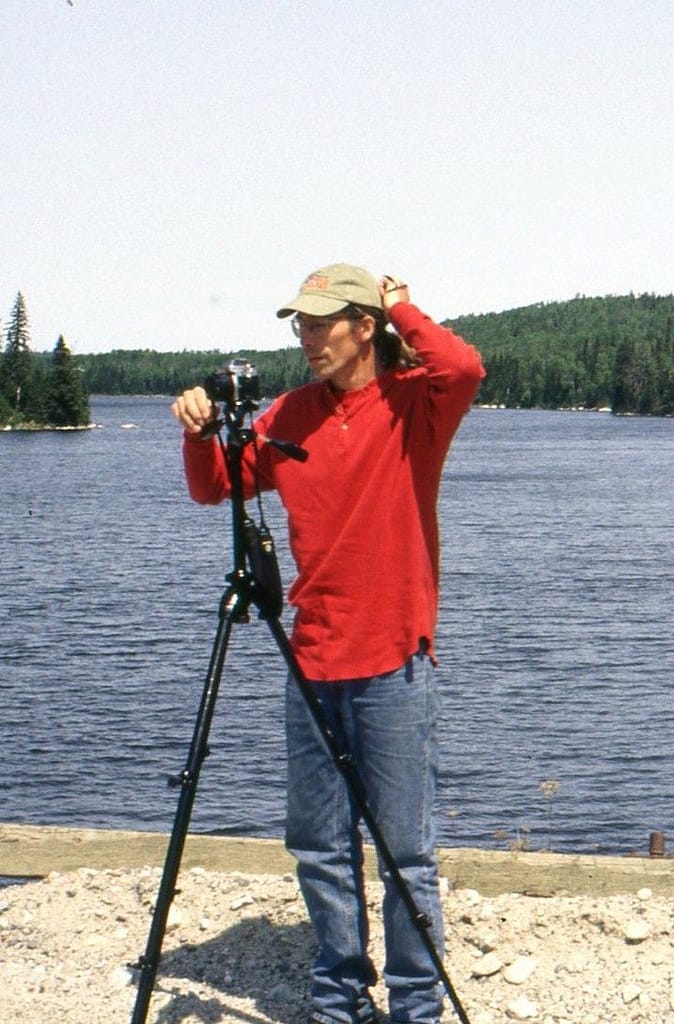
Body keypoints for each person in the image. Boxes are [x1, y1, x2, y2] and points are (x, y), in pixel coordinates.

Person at [170, 263, 485, 1024]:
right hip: (310, 659)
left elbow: (463, 364)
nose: (306, 338)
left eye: (320, 323)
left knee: (405, 852)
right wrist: (200, 429)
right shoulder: (290, 414)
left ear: (363, 326)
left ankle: (414, 1006)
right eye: (299, 325)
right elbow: (218, 486)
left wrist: (404, 305)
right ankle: (337, 998)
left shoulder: (415, 406)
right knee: (319, 847)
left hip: (395, 664)